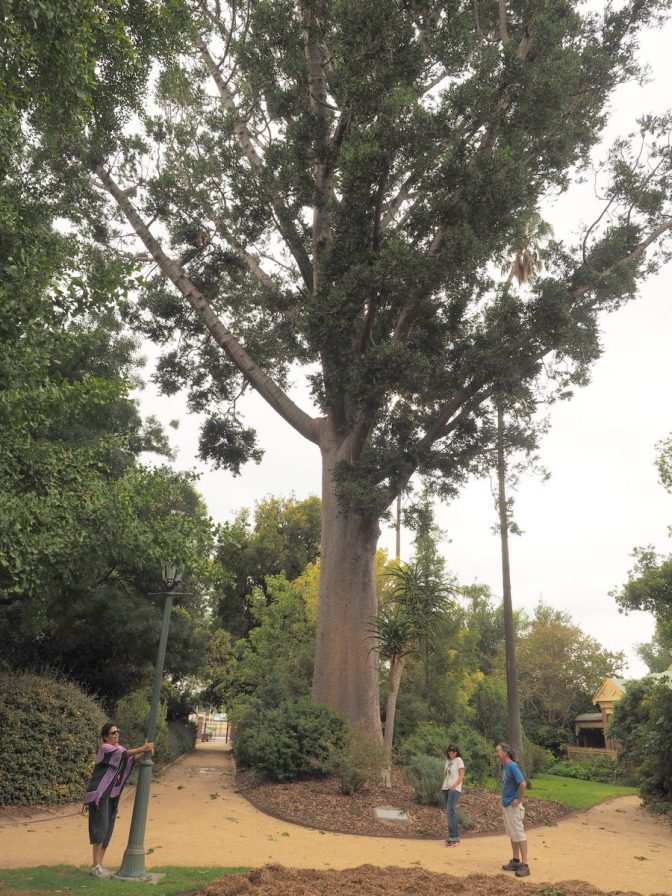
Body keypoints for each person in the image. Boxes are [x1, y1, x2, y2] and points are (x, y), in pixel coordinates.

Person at [83, 722, 154, 878]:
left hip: (112, 797)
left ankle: (100, 864)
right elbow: (124, 755)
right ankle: (95, 866)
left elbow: (130, 759)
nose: (116, 735)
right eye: (113, 733)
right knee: (100, 829)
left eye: (117, 732)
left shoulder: (120, 749)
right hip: (100, 796)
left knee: (107, 830)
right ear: (105, 737)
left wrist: (146, 753)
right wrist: (143, 748)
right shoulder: (105, 748)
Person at [495, 742, 529, 877]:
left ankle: (525, 865)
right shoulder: (505, 767)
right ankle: (515, 861)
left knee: (519, 834)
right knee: (512, 834)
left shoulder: (512, 766)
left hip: (514, 807)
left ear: (505, 753)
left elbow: (523, 784)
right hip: (507, 805)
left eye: (497, 751)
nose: (496, 754)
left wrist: (519, 800)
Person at [441, 743, 465, 847]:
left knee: (450, 811)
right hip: (446, 788)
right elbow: (447, 775)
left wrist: (454, 786)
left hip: (454, 789)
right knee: (449, 812)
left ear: (457, 752)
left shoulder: (458, 760)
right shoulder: (447, 761)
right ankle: (454, 837)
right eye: (450, 750)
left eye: (454, 751)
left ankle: (454, 838)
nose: (452, 752)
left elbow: (461, 775)